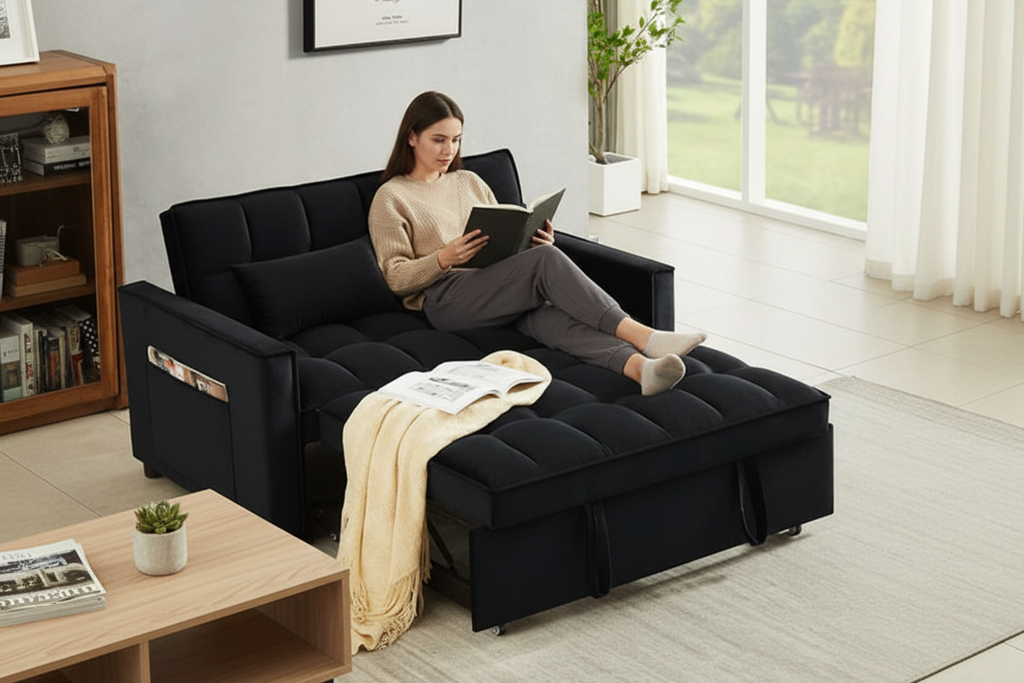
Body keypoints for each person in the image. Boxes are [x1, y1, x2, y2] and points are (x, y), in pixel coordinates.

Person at [367, 91, 707, 395]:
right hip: (444, 299)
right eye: (438, 139)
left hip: (490, 283)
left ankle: (641, 369)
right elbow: (395, 278)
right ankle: (645, 336)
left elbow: (499, 236)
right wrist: (442, 258)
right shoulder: (391, 197)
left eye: (456, 139)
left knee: (545, 311)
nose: (449, 150)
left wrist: (532, 240)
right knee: (546, 262)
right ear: (412, 137)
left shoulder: (467, 181)